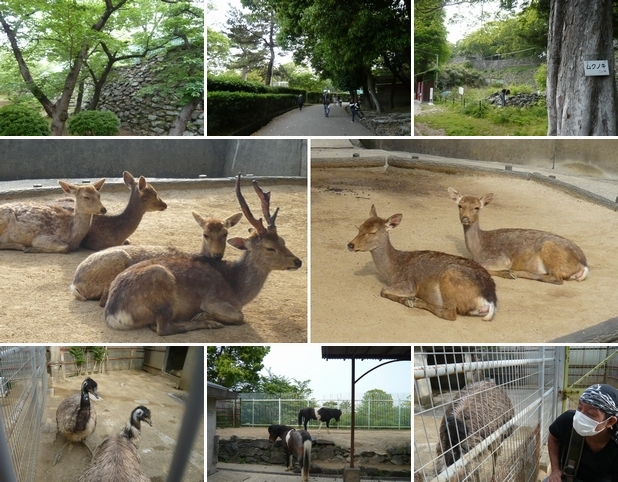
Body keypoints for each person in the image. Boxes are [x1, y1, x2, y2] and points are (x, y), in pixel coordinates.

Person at [545, 384, 618, 482]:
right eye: (579, 408)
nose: (580, 417)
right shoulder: (567, 421)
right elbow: (553, 437)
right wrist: (555, 469)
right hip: (570, 477)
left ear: (610, 422)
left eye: (590, 414)